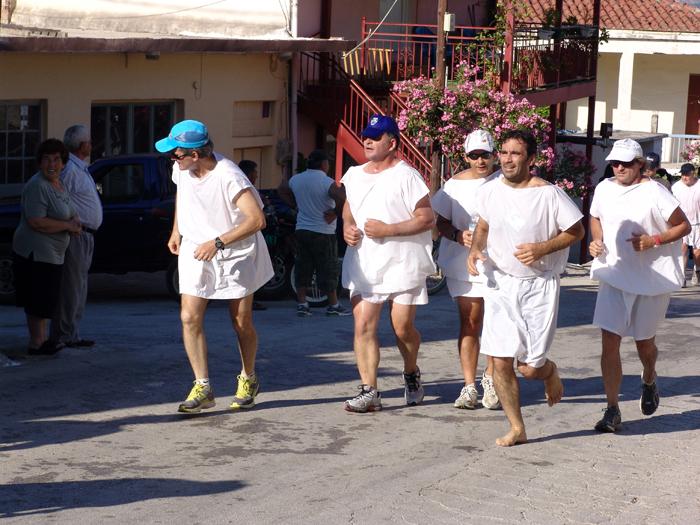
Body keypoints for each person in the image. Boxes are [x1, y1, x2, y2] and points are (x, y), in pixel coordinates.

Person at [467, 129, 584, 446]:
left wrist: (542, 248)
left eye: (515, 153)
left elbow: (576, 231)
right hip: (500, 284)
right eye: (503, 152)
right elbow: (484, 225)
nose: (506, 159)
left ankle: (549, 371)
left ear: (531, 159)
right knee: (501, 361)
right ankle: (517, 427)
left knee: (530, 369)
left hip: (539, 286)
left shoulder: (549, 194)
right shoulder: (490, 191)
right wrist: (476, 249)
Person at [156, 120, 274, 414]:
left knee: (241, 322)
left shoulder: (229, 175)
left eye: (176, 154)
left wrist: (218, 242)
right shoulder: (182, 168)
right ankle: (203, 385)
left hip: (235, 252)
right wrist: (177, 230)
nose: (172, 159)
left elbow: (257, 220)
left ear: (195, 154)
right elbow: (182, 194)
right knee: (188, 317)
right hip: (197, 248)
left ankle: (248, 378)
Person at [589, 139, 690, 432]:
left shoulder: (655, 191)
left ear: (640, 165)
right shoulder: (604, 188)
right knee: (610, 341)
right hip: (614, 274)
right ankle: (612, 410)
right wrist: (597, 240)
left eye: (626, 163)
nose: (619, 167)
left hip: (651, 280)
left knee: (644, 344)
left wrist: (653, 241)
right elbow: (595, 217)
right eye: (614, 162)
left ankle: (649, 378)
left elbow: (683, 225)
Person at [341, 115, 435, 413]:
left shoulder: (407, 176)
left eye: (376, 137)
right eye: (366, 136)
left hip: (403, 263)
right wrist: (347, 227)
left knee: (402, 328)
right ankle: (370, 391)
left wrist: (387, 230)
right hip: (365, 262)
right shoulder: (354, 175)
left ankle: (410, 372)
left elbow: (426, 218)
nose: (367, 141)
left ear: (392, 142)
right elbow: (349, 208)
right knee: (363, 325)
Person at [431, 129, 500, 410]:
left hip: (499, 265)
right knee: (470, 322)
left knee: (497, 324)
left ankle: (492, 378)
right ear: (466, 157)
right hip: (463, 263)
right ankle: (469, 385)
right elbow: (440, 222)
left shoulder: (506, 182)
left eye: (485, 155)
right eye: (474, 155)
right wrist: (459, 235)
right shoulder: (453, 185)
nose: (481, 161)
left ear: (494, 155)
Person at [12, 139, 82, 355]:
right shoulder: (37, 186)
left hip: (54, 253)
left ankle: (42, 340)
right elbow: (36, 221)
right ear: (39, 162)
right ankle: (37, 343)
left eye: (56, 159)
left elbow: (67, 209)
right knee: (37, 298)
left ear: (63, 162)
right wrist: (68, 225)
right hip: (36, 252)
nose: (52, 164)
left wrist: (75, 222)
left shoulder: (57, 184)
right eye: (46, 159)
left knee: (46, 297)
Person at [49, 125, 103, 348]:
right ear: (83, 146)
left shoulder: (79, 168)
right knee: (71, 286)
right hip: (76, 235)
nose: (91, 145)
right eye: (89, 142)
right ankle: (64, 333)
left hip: (85, 235)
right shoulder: (70, 169)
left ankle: (71, 332)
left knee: (78, 286)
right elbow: (60, 198)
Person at [286, 149, 350, 317]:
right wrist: (335, 212)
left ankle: (302, 304)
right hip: (323, 231)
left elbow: (281, 189)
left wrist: (294, 204)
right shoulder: (326, 182)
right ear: (323, 164)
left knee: (302, 266)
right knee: (328, 268)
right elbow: (343, 196)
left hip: (302, 229)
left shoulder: (296, 179)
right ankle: (333, 305)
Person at [238, 159, 268, 310]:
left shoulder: (248, 188)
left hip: (249, 235)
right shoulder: (242, 187)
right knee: (249, 271)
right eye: (255, 172)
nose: (257, 175)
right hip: (245, 237)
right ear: (250, 174)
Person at [671, 163, 700, 286]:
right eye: (683, 174)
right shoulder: (676, 187)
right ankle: (682, 277)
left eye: (687, 175)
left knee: (697, 252)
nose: (684, 177)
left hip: (698, 224)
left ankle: (697, 273)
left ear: (693, 174)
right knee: (682, 249)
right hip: (682, 223)